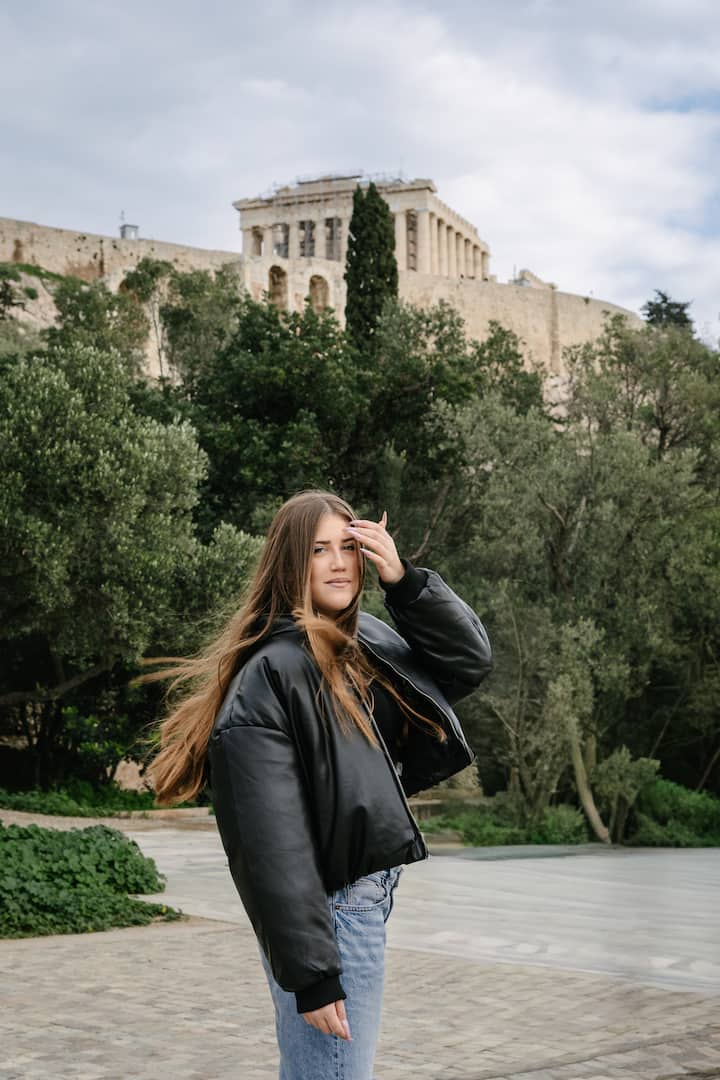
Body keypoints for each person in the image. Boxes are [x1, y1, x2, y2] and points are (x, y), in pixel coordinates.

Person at [146, 489, 492, 1080]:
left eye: (348, 548)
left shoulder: (365, 641)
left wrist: (405, 581)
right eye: (318, 550)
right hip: (331, 914)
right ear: (290, 563)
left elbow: (467, 662)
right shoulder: (273, 672)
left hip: (358, 903)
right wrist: (313, 974)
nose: (339, 563)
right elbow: (270, 839)